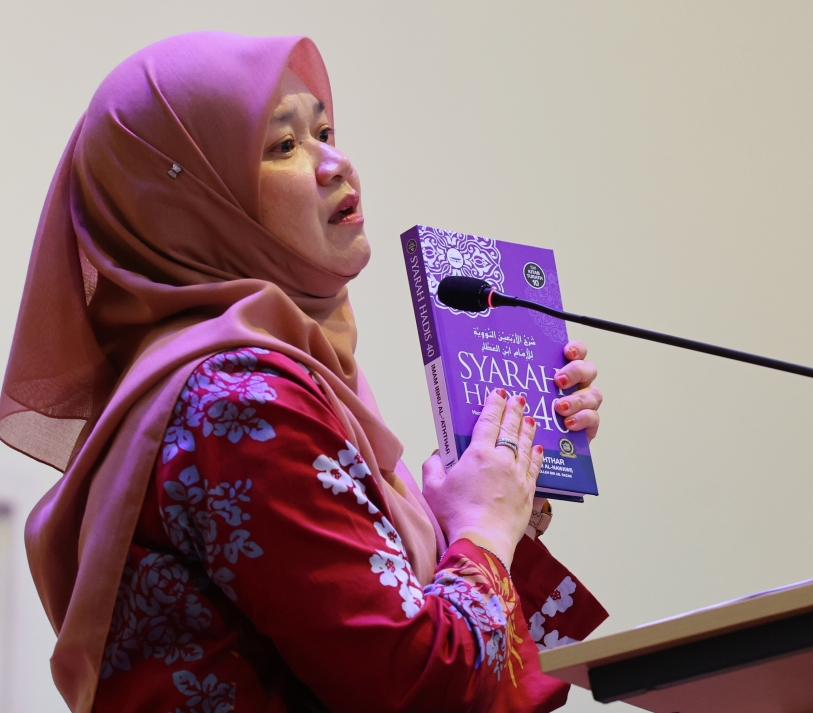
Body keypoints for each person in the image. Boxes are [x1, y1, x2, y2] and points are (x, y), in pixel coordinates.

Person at [1, 32, 607, 713]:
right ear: (192, 200)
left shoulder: (246, 375)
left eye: (324, 129)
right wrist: (483, 529)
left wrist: (501, 485)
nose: (336, 162)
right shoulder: (238, 397)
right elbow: (418, 684)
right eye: (284, 145)